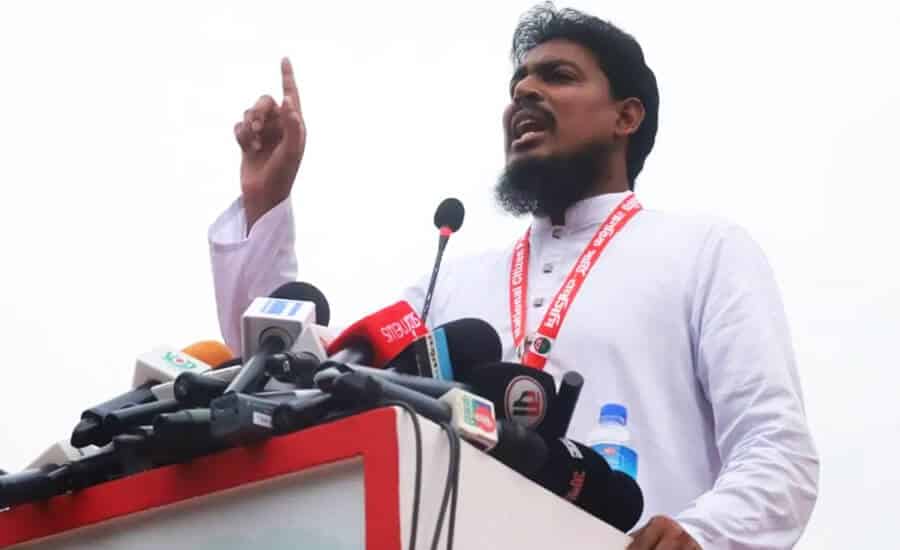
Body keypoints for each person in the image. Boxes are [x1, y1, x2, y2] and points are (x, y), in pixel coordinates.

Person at [208, 4, 819, 549]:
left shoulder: (703, 251)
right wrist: (265, 202)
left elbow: (778, 452)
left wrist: (704, 532)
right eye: (518, 83)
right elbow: (296, 377)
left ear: (626, 116)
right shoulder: (453, 284)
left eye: (558, 76)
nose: (525, 91)